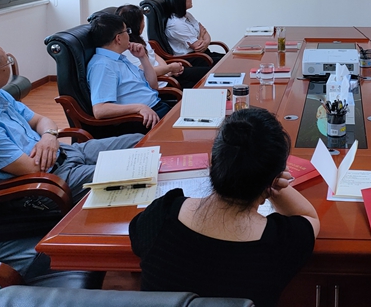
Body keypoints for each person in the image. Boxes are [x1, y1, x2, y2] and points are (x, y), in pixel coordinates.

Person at [129, 108, 319, 307]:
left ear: (214, 162)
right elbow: (308, 217)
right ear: (272, 181)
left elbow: (137, 239)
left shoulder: (162, 214)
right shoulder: (280, 243)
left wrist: (268, 177)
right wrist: (272, 181)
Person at [0, 39, 143, 201]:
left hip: (66, 153)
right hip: (51, 181)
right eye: (7, 61)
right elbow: (35, 169)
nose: (10, 63)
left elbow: (40, 121)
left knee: (139, 142)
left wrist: (49, 137)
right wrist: (51, 139)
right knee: (135, 172)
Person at [87, 13, 173, 129]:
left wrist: (143, 57)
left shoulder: (119, 58)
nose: (129, 34)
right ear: (118, 38)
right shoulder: (103, 66)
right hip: (142, 119)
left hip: (156, 107)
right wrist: (139, 107)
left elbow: (153, 86)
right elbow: (100, 110)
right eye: (126, 31)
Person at [116, 4, 210, 89]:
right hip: (163, 83)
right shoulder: (128, 48)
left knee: (208, 74)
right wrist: (169, 69)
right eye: (142, 20)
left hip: (167, 75)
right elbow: (144, 72)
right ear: (136, 24)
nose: (144, 24)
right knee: (203, 86)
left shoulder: (140, 39)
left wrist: (168, 70)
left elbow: (155, 56)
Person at [163, 0, 224, 64]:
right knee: (226, 63)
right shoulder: (176, 24)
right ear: (180, 0)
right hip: (191, 58)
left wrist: (203, 39)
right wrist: (201, 35)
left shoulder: (187, 15)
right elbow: (198, 47)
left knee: (231, 57)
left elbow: (205, 32)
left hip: (203, 54)